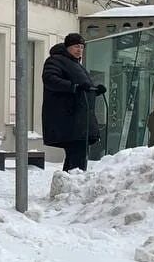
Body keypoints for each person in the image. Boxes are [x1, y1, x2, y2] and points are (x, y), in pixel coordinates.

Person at [41, 33, 106, 172]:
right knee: (77, 156)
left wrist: (94, 90)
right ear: (67, 47)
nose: (79, 50)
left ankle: (68, 186)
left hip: (79, 119)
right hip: (69, 118)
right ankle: (71, 186)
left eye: (82, 47)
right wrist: (73, 87)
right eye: (76, 46)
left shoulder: (76, 64)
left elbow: (82, 87)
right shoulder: (56, 61)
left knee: (77, 155)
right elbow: (50, 79)